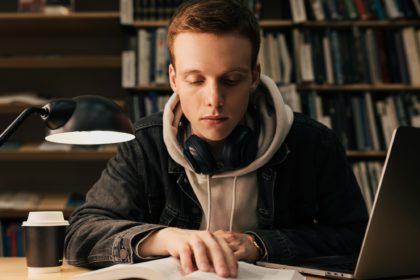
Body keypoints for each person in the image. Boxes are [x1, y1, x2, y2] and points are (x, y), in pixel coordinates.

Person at [64, 0, 368, 278]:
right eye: (195, 80)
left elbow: (357, 237)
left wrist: (258, 244)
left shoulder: (313, 143)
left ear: (253, 77)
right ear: (173, 79)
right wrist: (166, 238)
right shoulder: (145, 144)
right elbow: (81, 233)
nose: (214, 100)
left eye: (231, 80)